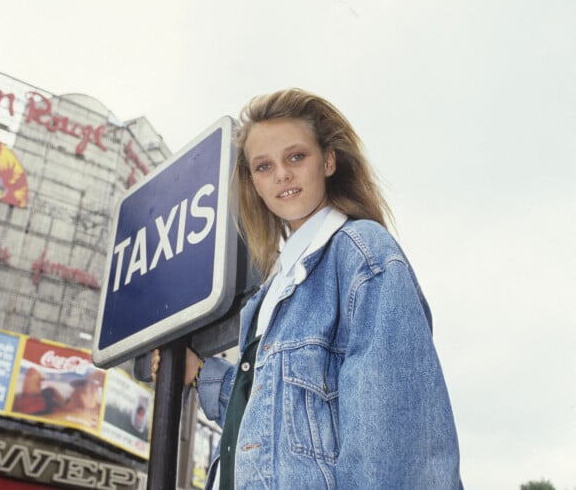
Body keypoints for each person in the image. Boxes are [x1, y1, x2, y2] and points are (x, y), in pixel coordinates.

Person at [152, 88, 463, 489]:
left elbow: (397, 446)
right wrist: (200, 374)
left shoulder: (362, 254)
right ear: (254, 184)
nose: (281, 174)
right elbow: (279, 422)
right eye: (263, 166)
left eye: (296, 157)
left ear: (329, 161)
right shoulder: (268, 295)